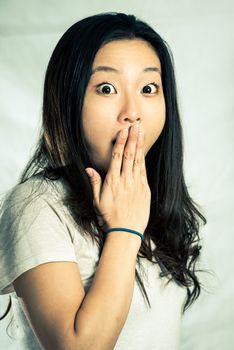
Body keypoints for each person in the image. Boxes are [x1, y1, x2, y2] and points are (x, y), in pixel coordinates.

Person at [0, 11, 207, 350]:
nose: (133, 111)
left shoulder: (147, 197)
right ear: (68, 101)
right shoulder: (37, 204)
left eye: (149, 88)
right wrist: (125, 230)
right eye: (107, 88)